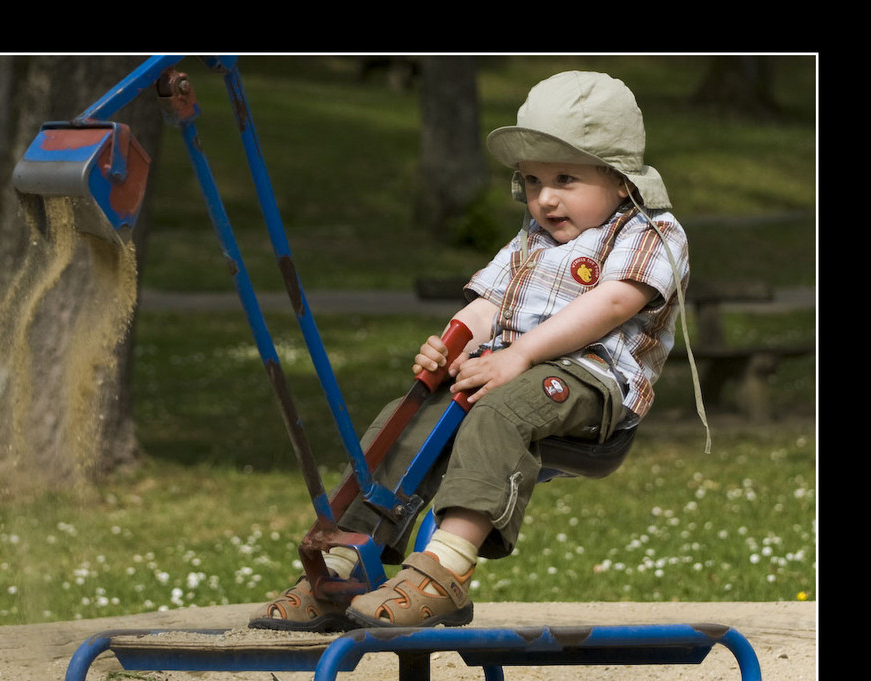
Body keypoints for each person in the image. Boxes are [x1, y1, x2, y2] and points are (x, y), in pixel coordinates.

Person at [249, 69, 691, 632]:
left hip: (591, 383)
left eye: (564, 178)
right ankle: (341, 567)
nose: (545, 198)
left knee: (498, 411)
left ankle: (444, 572)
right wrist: (450, 343)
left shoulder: (652, 230)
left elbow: (610, 304)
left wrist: (521, 355)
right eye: (532, 181)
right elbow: (487, 305)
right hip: (511, 370)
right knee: (405, 417)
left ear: (621, 180)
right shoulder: (531, 239)